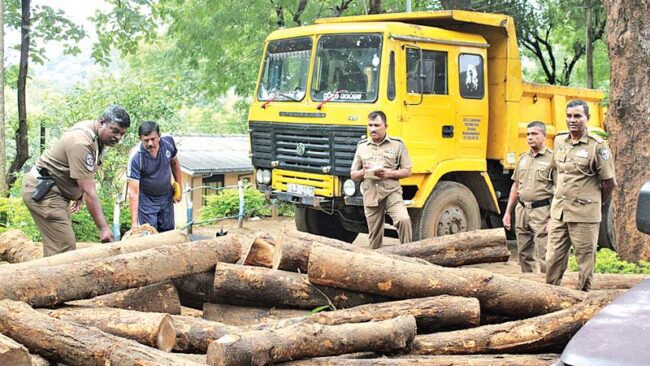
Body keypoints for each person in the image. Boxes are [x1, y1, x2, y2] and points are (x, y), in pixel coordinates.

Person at [21, 105, 131, 256]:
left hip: (53, 190)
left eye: (122, 134)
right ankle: (52, 279)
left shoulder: (95, 136)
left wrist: (77, 194)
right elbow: (90, 191)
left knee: (57, 245)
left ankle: (48, 275)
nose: (118, 137)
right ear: (101, 122)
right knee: (64, 248)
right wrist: (103, 228)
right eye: (115, 130)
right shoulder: (82, 142)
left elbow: (79, 173)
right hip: (44, 192)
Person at [545, 100, 617, 291]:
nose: (572, 120)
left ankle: (583, 298)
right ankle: (550, 295)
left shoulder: (597, 146)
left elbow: (609, 182)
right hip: (560, 212)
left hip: (585, 215)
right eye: (569, 116)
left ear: (587, 118)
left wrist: (595, 204)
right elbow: (555, 171)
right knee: (553, 258)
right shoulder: (559, 141)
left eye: (577, 116)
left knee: (585, 260)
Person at [350, 111, 413, 249]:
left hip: (392, 192)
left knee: (403, 220)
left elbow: (407, 171)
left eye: (377, 125)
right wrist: (364, 171)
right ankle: (376, 262)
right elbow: (353, 174)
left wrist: (389, 173)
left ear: (385, 126)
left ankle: (408, 252)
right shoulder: (362, 147)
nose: (373, 129)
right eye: (370, 125)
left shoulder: (397, 145)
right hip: (371, 194)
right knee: (374, 236)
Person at [503, 121, 556, 273]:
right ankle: (530, 284)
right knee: (523, 253)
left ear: (544, 136)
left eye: (534, 134)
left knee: (545, 253)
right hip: (522, 209)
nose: (530, 138)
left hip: (542, 210)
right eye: (528, 134)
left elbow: (559, 190)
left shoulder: (552, 159)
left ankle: (549, 288)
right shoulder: (523, 158)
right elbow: (515, 185)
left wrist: (553, 218)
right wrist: (507, 213)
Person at [127, 121, 182, 232]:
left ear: (159, 136)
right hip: (146, 201)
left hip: (166, 196)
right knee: (149, 233)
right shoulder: (136, 157)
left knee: (168, 232)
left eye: (153, 139)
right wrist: (134, 224)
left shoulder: (169, 143)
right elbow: (133, 192)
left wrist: (179, 188)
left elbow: (175, 163)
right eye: (146, 140)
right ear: (140, 139)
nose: (150, 143)